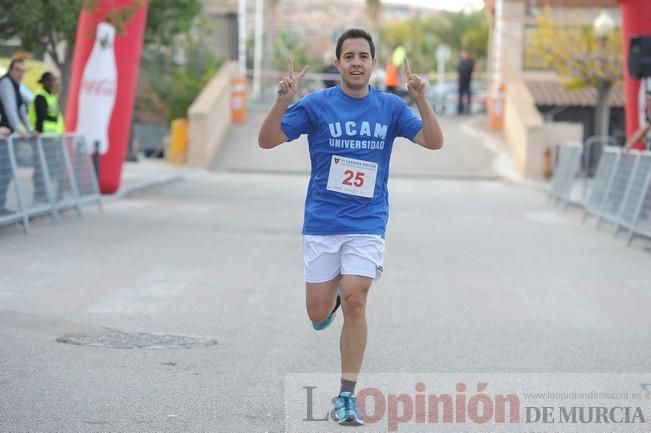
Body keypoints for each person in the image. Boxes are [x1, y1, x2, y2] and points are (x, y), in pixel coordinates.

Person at [258, 28, 443, 426]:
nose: (356, 63)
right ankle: (331, 300)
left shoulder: (390, 108)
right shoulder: (316, 105)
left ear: (373, 64)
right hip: (322, 222)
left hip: (367, 221)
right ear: (338, 63)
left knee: (357, 298)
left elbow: (433, 141)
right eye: (349, 56)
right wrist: (281, 102)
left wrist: (421, 99)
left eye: (363, 56)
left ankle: (345, 396)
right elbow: (267, 140)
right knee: (318, 311)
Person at [0, 59, 34, 214]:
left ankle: (1, 205)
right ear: (10, 70)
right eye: (17, 70)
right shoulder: (6, 83)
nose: (20, 73)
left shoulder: (16, 86)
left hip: (8, 137)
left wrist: (30, 129)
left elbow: (21, 110)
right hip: (3, 136)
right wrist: (21, 130)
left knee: (7, 172)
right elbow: (10, 109)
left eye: (22, 70)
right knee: (4, 171)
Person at [28, 72, 65, 200]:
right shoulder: (40, 96)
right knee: (40, 168)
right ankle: (39, 195)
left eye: (53, 81)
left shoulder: (52, 97)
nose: (52, 83)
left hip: (52, 139)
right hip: (42, 138)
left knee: (49, 168)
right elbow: (41, 116)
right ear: (44, 82)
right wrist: (53, 119)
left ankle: (43, 194)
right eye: (50, 81)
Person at [456, 49, 474, 115]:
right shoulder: (461, 61)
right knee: (460, 95)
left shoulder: (470, 62)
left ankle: (468, 109)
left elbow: (468, 68)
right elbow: (457, 67)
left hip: (467, 81)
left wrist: (462, 68)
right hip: (461, 81)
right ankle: (460, 109)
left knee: (468, 95)